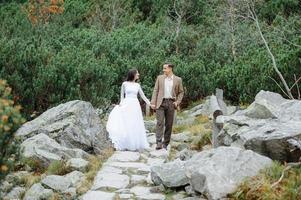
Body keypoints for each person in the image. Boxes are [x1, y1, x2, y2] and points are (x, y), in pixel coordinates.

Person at [106, 69, 150, 151]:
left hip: (135, 105)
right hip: (127, 103)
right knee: (126, 122)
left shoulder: (137, 85)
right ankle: (125, 142)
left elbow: (143, 96)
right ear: (133, 74)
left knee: (134, 122)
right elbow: (122, 96)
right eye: (137, 73)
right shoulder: (124, 84)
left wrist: (150, 103)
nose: (138, 75)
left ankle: (134, 143)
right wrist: (121, 104)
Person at [150, 63, 184, 150]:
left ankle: (165, 143)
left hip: (171, 103)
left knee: (169, 124)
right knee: (160, 122)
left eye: (165, 68)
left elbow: (181, 92)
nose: (163, 70)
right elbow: (156, 90)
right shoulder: (160, 78)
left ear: (170, 69)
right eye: (163, 68)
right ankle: (158, 142)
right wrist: (153, 102)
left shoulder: (178, 79)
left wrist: (177, 102)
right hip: (160, 103)